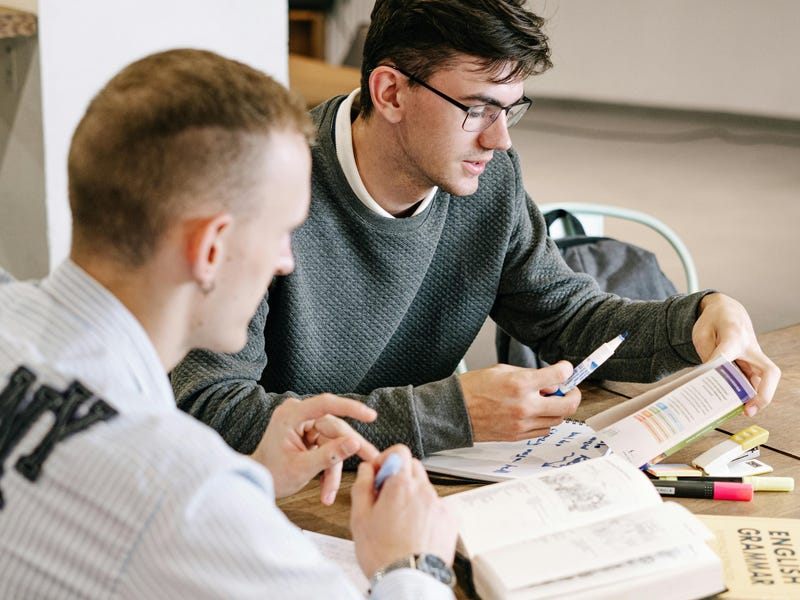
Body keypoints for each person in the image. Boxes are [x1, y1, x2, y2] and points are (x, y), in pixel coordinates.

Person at [172, 0, 781, 460]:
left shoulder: (488, 182)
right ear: (389, 92)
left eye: (510, 107)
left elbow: (568, 319)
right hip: (287, 503)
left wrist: (699, 318)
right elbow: (209, 407)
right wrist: (449, 414)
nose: (500, 138)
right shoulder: (267, 185)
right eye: (477, 108)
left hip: (417, 488)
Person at [0, 48, 457, 598]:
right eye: (283, 230)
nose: (286, 260)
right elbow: (162, 508)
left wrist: (254, 473)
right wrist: (412, 566)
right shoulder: (185, 496)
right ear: (212, 248)